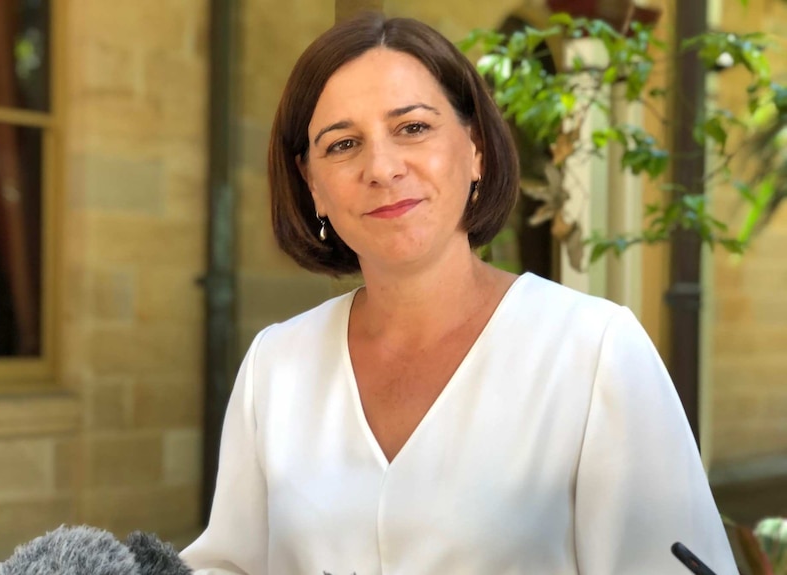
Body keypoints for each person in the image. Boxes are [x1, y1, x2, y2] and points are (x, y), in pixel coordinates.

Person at [180, 13, 738, 575]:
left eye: (413, 128)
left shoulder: (595, 351)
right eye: (344, 144)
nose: (383, 167)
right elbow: (230, 565)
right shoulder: (276, 365)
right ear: (312, 186)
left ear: (475, 150)